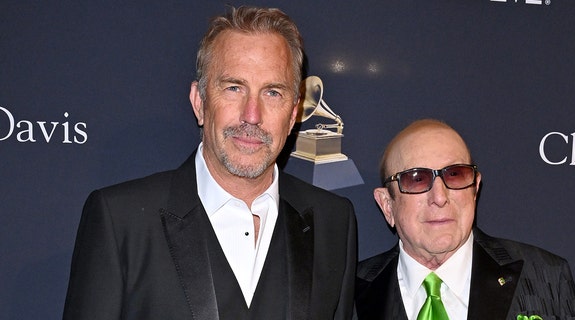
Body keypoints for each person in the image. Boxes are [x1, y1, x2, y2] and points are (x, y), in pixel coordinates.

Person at [63, 6, 357, 320]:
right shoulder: (120, 220)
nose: (252, 115)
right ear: (199, 102)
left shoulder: (333, 222)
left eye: (272, 92)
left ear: (293, 114)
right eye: (234, 88)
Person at [354, 119, 575, 319]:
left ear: (475, 188)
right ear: (387, 205)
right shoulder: (348, 292)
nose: (440, 197)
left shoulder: (545, 275)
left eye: (455, 174)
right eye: (417, 179)